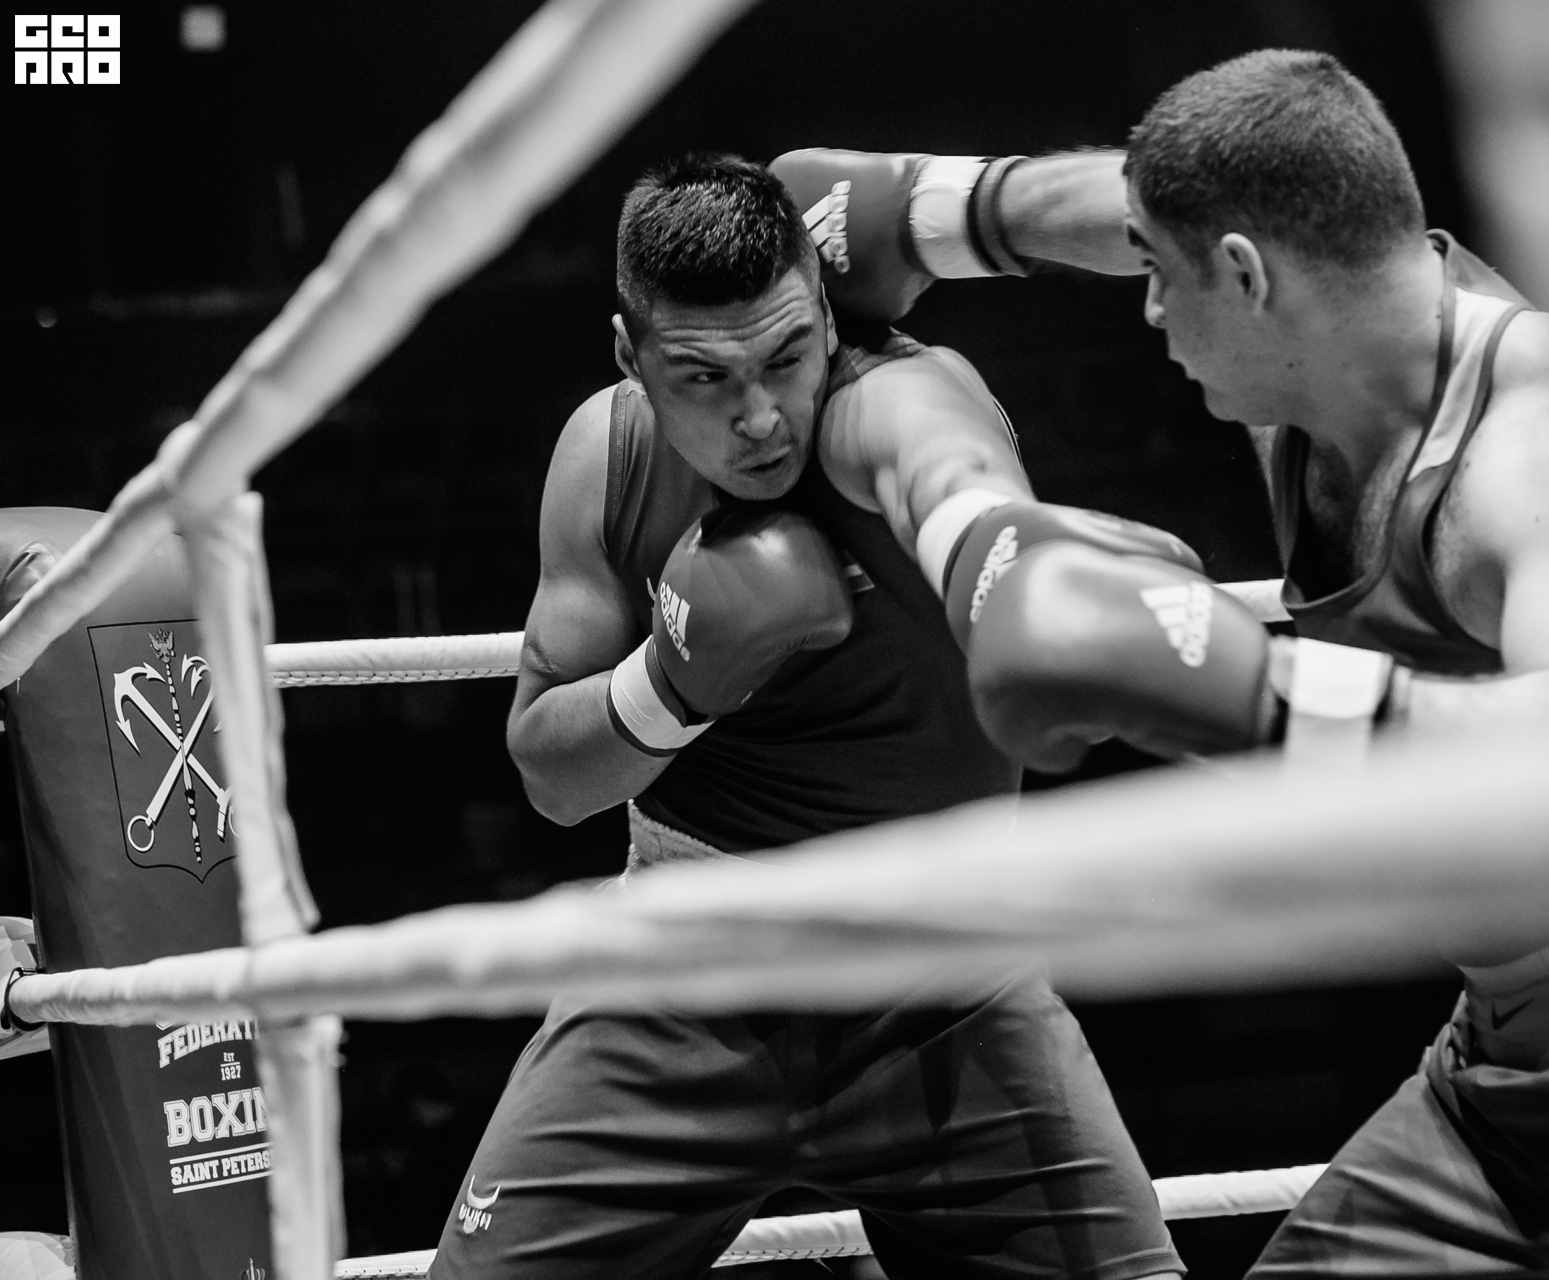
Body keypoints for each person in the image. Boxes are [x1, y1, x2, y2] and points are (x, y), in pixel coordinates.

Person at [778, 48, 1549, 1276]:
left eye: (1160, 278)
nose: (1147, 310)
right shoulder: (1315, 337)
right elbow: (1145, 203)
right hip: (1509, 1073)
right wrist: (931, 212)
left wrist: (1237, 690)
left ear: (1246, 275)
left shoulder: (1535, 450)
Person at [432, 150, 1286, 1280]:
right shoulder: (610, 455)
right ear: (631, 357)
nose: (758, 419)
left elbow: (951, 475)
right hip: (684, 973)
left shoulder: (894, 394)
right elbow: (551, 778)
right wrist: (671, 684)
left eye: (786, 357)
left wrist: (1015, 565)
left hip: (948, 982)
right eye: (703, 377)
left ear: (827, 318)